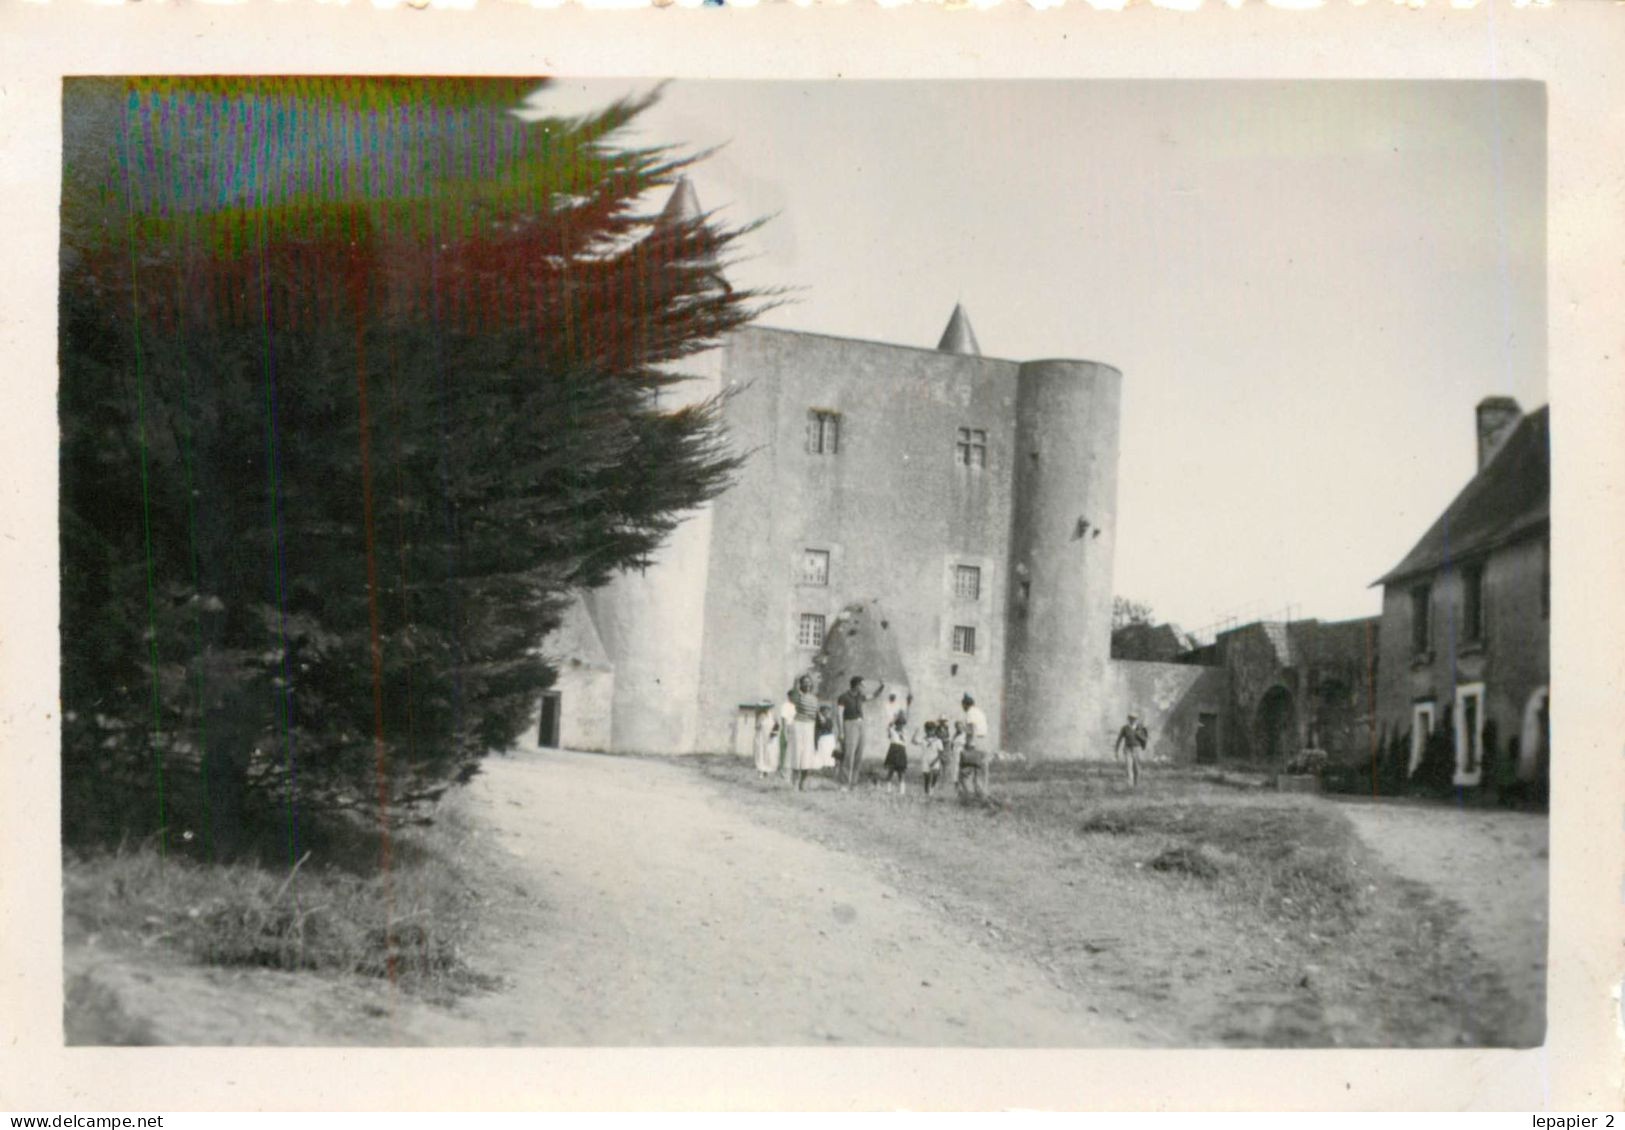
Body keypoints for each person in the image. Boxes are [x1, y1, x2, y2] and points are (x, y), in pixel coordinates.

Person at [835, 675, 886, 789]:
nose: (864, 687)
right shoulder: (843, 697)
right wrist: (841, 732)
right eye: (862, 685)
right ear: (857, 685)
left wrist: (881, 686)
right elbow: (839, 715)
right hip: (849, 724)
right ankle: (843, 783)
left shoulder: (860, 696)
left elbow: (873, 696)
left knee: (859, 754)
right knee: (849, 754)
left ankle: (853, 783)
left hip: (861, 725)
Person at [784, 675, 822, 791]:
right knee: (797, 753)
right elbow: (794, 691)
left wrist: (821, 717)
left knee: (807, 754)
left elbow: (816, 711)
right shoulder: (797, 696)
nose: (807, 684)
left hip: (810, 726)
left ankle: (803, 782)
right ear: (801, 684)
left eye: (809, 682)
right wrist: (796, 681)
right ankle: (795, 782)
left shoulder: (815, 698)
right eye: (804, 682)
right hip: (798, 725)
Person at [1115, 711, 1150, 787]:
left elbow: (1146, 739)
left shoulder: (1141, 728)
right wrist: (1116, 751)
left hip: (1137, 749)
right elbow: (1119, 739)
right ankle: (1129, 785)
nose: (1132, 720)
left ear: (1137, 719)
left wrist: (1139, 735)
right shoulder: (1125, 728)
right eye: (1130, 718)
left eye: (1134, 719)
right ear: (1128, 719)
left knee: (1137, 768)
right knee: (1128, 767)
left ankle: (1136, 784)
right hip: (1127, 749)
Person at [883, 714, 909, 793]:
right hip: (893, 751)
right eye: (898, 724)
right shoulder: (892, 731)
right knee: (890, 771)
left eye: (902, 724)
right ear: (896, 724)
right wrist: (894, 720)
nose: (900, 726)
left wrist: (902, 734)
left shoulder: (905, 732)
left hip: (901, 751)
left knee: (901, 772)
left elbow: (905, 741)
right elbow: (889, 727)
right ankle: (888, 789)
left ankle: (902, 791)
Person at [753, 702, 780, 778]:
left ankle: (767, 770)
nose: (766, 709)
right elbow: (757, 727)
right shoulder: (761, 716)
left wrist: (773, 732)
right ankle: (761, 771)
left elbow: (777, 724)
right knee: (761, 752)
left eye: (767, 707)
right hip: (761, 736)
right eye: (764, 707)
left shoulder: (773, 715)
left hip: (770, 737)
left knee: (770, 752)